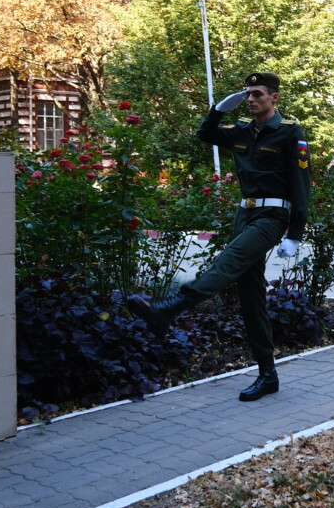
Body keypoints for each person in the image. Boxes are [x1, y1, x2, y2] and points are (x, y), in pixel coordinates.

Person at [127, 71, 310, 402]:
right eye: (248, 94)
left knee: (230, 260)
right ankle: (268, 375)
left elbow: (301, 186)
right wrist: (217, 109)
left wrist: (294, 233)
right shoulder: (240, 131)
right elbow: (204, 133)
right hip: (245, 215)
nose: (251, 99)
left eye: (257, 93)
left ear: (274, 98)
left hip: (272, 216)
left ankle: (170, 308)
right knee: (250, 296)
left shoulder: (288, 133)